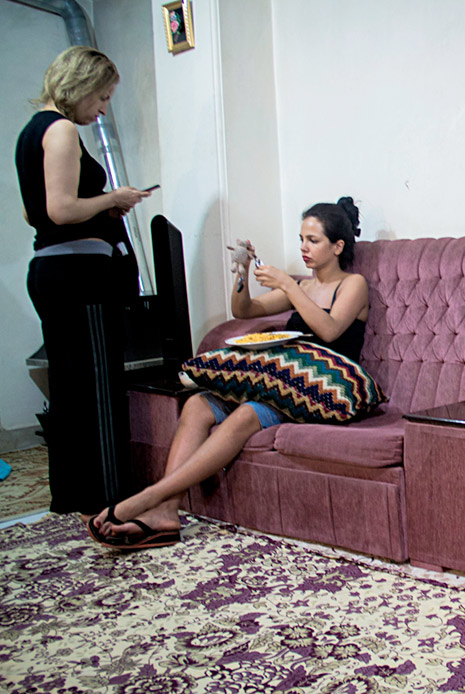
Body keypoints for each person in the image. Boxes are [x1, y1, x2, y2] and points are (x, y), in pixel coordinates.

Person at [88, 197, 368, 550]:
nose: (304, 248)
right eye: (301, 239)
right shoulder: (304, 287)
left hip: (320, 389)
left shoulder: (353, 284)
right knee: (197, 405)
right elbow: (244, 310)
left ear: (337, 246)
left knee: (246, 414)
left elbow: (329, 330)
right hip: (279, 380)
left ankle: (149, 497)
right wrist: (242, 272)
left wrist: (288, 286)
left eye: (313, 240)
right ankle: (166, 513)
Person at [16, 46, 153, 516]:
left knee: (69, 386)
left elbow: (33, 212)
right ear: (82, 86)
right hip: (79, 277)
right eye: (103, 96)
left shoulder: (30, 132)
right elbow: (61, 210)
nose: (103, 109)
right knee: (98, 385)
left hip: (51, 270)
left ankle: (71, 493)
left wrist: (97, 208)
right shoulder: (60, 130)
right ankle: (109, 495)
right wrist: (112, 198)